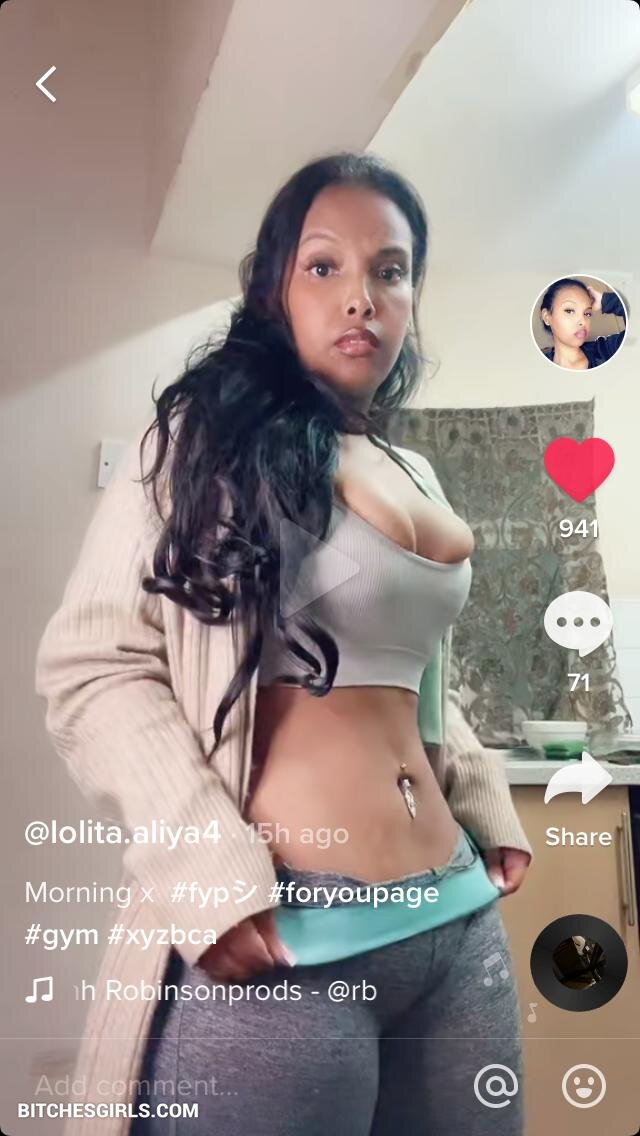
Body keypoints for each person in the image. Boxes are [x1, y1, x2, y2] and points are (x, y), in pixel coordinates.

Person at [35, 152, 532, 1136]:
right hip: (290, 929)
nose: (361, 296)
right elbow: (93, 666)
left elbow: (412, 673)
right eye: (324, 265)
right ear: (275, 289)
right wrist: (205, 878)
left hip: (453, 916)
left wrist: (482, 796)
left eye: (390, 270)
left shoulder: (412, 468)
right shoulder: (200, 443)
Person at [539, 277, 626, 369]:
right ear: (547, 317)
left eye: (587, 313)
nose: (583, 321)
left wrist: (604, 300)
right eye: (569, 311)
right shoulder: (536, 367)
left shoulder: (606, 352)